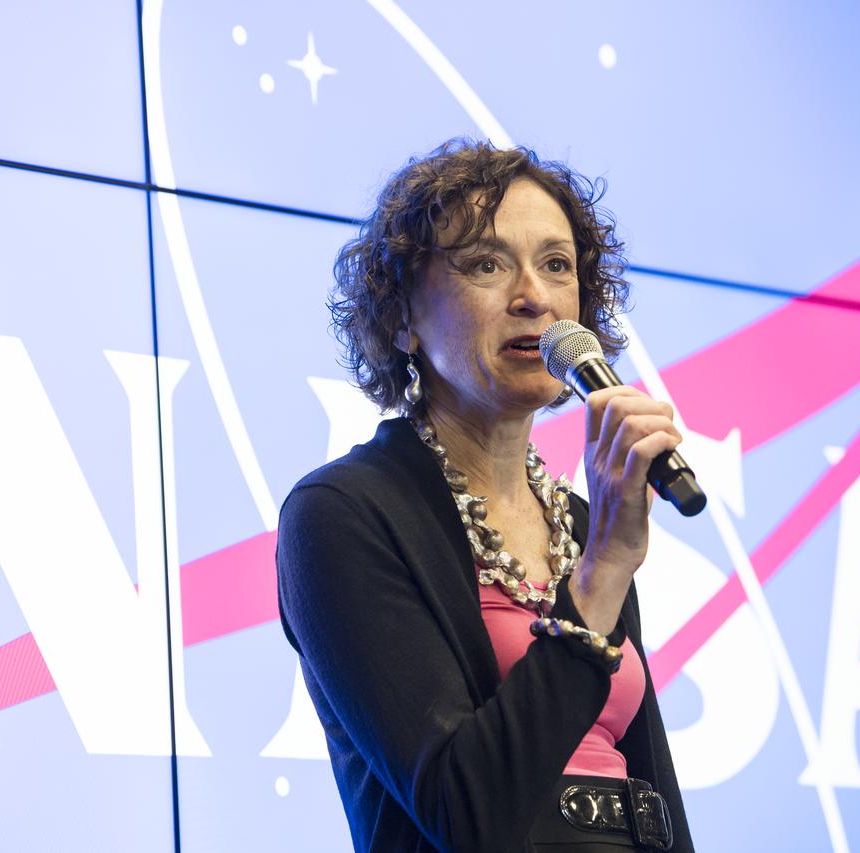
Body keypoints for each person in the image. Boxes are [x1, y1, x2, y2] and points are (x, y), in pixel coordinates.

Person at [276, 139, 696, 853]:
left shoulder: (580, 522)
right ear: (402, 318)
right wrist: (600, 573)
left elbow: (651, 782)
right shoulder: (343, 513)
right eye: (486, 264)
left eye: (556, 265)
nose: (534, 296)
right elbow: (464, 813)